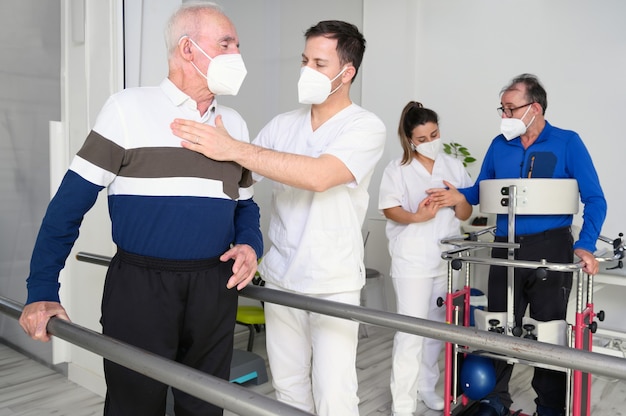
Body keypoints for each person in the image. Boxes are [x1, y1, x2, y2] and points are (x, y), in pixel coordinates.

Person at [18, 3, 263, 415]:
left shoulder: (234, 124)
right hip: (141, 288)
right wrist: (42, 290)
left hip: (213, 287)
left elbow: (246, 207)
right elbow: (67, 208)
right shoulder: (126, 109)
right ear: (188, 49)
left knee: (206, 406)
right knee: (135, 405)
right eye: (226, 44)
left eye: (237, 44)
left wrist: (249, 244)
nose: (237, 54)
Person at [171, 20, 386, 416]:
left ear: (347, 72)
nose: (307, 71)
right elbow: (239, 176)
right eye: (304, 60)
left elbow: (319, 176)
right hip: (283, 277)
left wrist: (235, 148)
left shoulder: (365, 126)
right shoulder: (282, 125)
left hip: (332, 282)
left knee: (334, 394)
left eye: (319, 64)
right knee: (287, 391)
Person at [428, 73, 607, 416]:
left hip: (550, 247)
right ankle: (496, 401)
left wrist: (585, 244)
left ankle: (550, 408)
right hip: (504, 246)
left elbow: (595, 199)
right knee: (497, 326)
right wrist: (457, 195)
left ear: (534, 108)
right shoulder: (500, 145)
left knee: (549, 334)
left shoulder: (567, 142)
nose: (504, 116)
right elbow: (482, 189)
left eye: (510, 109)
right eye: (502, 109)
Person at [379, 101, 472, 415]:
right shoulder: (398, 169)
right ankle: (403, 401)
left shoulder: (454, 166)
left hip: (446, 261)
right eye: (422, 139)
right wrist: (418, 216)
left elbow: (467, 213)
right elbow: (389, 208)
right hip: (412, 260)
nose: (430, 142)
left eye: (434, 134)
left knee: (436, 329)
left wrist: (458, 198)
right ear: (409, 140)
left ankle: (426, 387)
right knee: (410, 331)